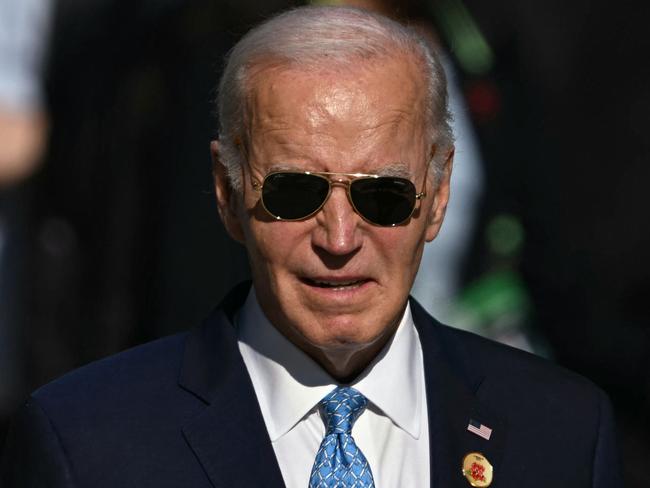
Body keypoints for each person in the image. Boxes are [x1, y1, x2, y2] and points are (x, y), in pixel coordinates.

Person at [0, 6, 623, 487]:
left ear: (436, 195)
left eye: (382, 196)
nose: (340, 238)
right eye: (295, 193)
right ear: (227, 190)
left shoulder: (564, 433)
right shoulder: (86, 443)